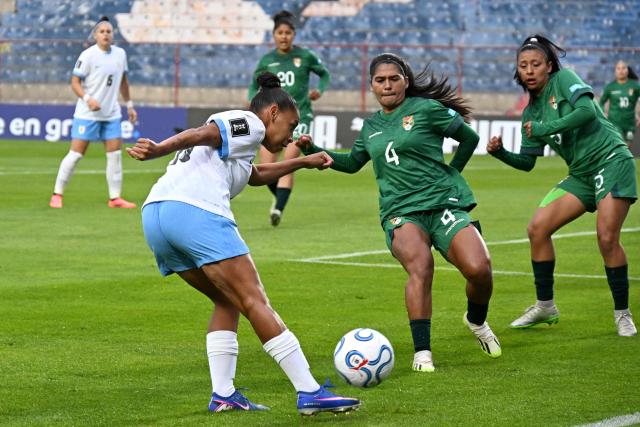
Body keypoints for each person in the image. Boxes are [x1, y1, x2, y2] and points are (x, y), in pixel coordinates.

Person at [126, 73, 360, 415]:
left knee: (227, 300)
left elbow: (254, 176)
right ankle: (309, 390)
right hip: (195, 212)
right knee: (255, 299)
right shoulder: (250, 122)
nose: (291, 135)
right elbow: (205, 132)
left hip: (158, 218)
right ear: (273, 113)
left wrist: (304, 162)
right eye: (291, 125)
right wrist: (159, 148)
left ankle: (223, 394)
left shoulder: (242, 148)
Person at [298, 53, 502, 373]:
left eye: (394, 78)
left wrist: (452, 174)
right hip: (401, 210)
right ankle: (423, 353)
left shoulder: (426, 110)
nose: (387, 85)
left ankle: (476, 320)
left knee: (480, 269)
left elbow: (469, 138)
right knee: (421, 265)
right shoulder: (371, 127)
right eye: (380, 80)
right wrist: (314, 151)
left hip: (443, 203)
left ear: (405, 81)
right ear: (371, 86)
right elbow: (352, 164)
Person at [487, 35, 637, 337]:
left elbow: (586, 112)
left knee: (607, 237)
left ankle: (623, 313)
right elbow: (528, 162)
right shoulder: (530, 113)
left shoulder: (564, 79)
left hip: (612, 160)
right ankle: (545, 306)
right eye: (523, 66)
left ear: (549, 66)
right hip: (581, 174)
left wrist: (546, 128)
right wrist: (501, 153)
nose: (529, 70)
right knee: (537, 228)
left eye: (536, 64)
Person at [248, 10, 330, 226]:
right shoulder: (267, 60)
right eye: (280, 32)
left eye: (288, 32)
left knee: (290, 160)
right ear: (273, 35)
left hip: (299, 118)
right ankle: (280, 196)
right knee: (265, 164)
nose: (284, 36)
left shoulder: (305, 56)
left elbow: (324, 74)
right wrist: (253, 106)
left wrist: (319, 90)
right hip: (273, 121)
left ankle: (278, 209)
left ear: (294, 35)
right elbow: (253, 86)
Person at [49, 16, 137, 209]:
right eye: (102, 31)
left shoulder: (120, 54)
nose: (106, 34)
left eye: (109, 31)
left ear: (113, 35)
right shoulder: (87, 55)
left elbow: (123, 81)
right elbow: (74, 82)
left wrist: (129, 105)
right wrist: (88, 99)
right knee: (75, 154)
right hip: (87, 114)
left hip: (111, 113)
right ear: (95, 35)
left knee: (115, 155)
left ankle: (115, 198)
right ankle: (57, 194)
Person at [599, 60, 640, 149]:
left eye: (623, 68)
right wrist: (603, 113)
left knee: (627, 147)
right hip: (614, 122)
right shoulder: (610, 87)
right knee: (620, 145)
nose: (621, 71)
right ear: (615, 71)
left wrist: (637, 115)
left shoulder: (635, 86)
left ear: (627, 70)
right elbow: (601, 102)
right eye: (618, 68)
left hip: (630, 123)